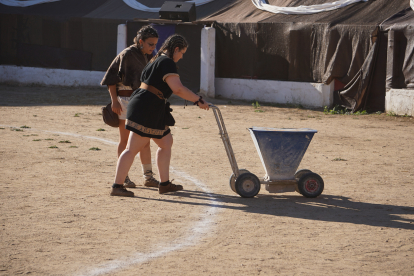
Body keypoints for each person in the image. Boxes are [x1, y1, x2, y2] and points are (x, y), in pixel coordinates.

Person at [110, 34, 209, 197]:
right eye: (182, 52)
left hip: (150, 106)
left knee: (166, 142)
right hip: (147, 107)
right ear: (175, 49)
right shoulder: (166, 62)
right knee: (131, 149)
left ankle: (164, 184)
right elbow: (177, 88)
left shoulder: (157, 59)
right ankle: (117, 186)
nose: (182, 56)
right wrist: (197, 100)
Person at [101, 25, 160, 192]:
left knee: (145, 141)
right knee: (125, 140)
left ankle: (148, 177)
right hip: (125, 100)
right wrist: (114, 101)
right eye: (150, 44)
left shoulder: (148, 56)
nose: (153, 47)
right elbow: (111, 79)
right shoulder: (127, 54)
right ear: (140, 41)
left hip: (141, 101)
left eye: (155, 44)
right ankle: (124, 177)